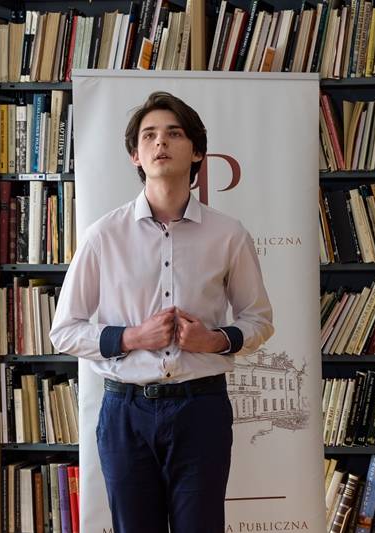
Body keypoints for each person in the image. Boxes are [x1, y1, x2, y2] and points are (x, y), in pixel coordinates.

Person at [49, 91, 273, 533]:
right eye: (149, 135)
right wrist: (131, 337)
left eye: (174, 133)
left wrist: (215, 340)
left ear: (197, 151)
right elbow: (64, 331)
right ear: (135, 155)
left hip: (201, 408)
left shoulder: (229, 235)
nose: (161, 142)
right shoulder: (103, 236)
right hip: (125, 413)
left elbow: (259, 319)